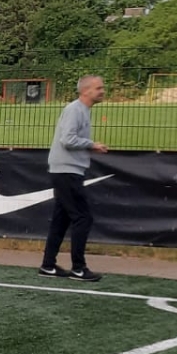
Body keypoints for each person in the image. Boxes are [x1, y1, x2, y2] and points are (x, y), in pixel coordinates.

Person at [41, 75, 109, 283]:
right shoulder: (75, 110)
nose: (102, 91)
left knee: (61, 219)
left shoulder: (83, 110)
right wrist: (92, 144)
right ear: (85, 90)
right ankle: (79, 268)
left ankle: (48, 265)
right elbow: (67, 139)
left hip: (67, 169)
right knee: (83, 217)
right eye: (98, 88)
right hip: (66, 170)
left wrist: (89, 146)